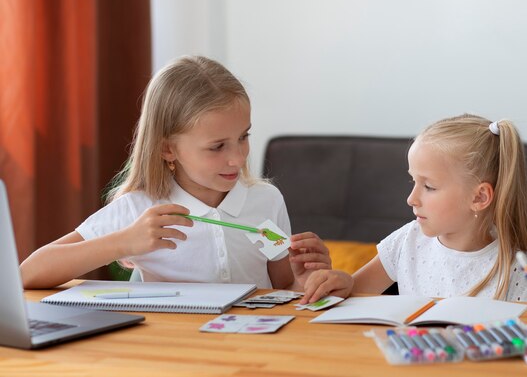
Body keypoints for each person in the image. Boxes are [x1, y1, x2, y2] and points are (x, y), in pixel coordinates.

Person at [20, 55, 330, 290]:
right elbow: (28, 273)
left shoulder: (265, 201)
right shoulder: (140, 208)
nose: (237, 158)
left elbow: (283, 288)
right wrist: (126, 242)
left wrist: (307, 279)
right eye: (217, 146)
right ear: (168, 149)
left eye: (243, 137)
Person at [301, 113, 527, 304]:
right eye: (413, 181)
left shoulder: (517, 270)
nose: (411, 198)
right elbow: (355, 292)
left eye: (429, 186)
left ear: (479, 197)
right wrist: (344, 283)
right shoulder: (407, 240)